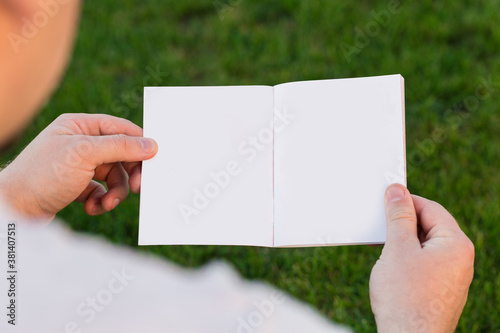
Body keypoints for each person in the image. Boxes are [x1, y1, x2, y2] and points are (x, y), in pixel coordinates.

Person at [0, 0, 474, 332]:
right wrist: (417, 323)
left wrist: (17, 199)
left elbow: (12, 295)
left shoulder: (19, 282)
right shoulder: (209, 319)